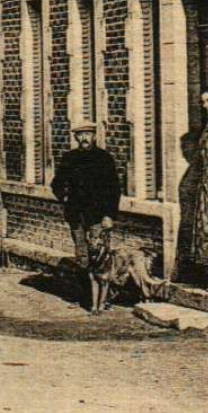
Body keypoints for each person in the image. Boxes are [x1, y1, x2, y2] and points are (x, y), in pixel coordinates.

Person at [51, 121, 121, 292]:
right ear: (75, 137)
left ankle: (105, 297)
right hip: (76, 215)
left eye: (88, 134)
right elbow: (56, 184)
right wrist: (65, 198)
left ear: (95, 136)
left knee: (100, 255)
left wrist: (109, 215)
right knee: (82, 256)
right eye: (80, 135)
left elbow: (114, 189)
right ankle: (85, 295)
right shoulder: (70, 158)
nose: (84, 138)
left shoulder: (104, 158)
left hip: (98, 215)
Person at [176, 89, 208, 285]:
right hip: (205, 184)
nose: (205, 105)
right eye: (203, 102)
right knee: (201, 229)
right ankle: (203, 272)